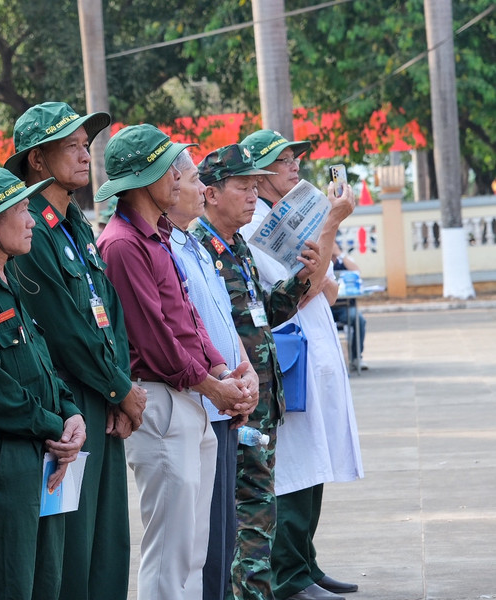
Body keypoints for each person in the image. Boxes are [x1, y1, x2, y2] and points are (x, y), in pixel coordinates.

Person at [95, 125, 258, 600]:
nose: (179, 176)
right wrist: (214, 386)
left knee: (192, 548)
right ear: (144, 180)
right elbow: (155, 339)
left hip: (189, 394)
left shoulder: (160, 236)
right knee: (169, 550)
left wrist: (222, 372)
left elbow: (189, 321)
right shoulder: (123, 243)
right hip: (162, 397)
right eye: (168, 169)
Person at [5, 101, 146, 600]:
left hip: (104, 396)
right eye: (72, 146)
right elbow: (64, 329)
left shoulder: (76, 225)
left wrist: (122, 387)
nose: (86, 155)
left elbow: (110, 309)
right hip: (69, 402)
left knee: (109, 540)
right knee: (72, 547)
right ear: (37, 160)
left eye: (86, 145)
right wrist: (119, 389)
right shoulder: (31, 230)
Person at [191, 144, 321, 600]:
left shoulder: (235, 244)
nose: (253, 195)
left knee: (260, 509)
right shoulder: (197, 250)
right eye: (243, 187)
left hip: (261, 401)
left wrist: (303, 278)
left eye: (253, 186)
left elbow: (259, 313)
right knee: (241, 512)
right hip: (233, 403)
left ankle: (257, 592)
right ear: (210, 193)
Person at [240, 129, 364, 600]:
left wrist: (325, 226)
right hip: (289, 356)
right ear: (260, 175)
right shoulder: (258, 227)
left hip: (316, 349)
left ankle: (306, 564)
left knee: (316, 461)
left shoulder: (294, 217)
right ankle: (289, 576)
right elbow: (302, 291)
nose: (294, 166)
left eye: (295, 158)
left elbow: (329, 287)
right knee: (292, 467)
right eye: (282, 160)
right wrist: (331, 220)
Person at [0, 167, 86, 600]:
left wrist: (71, 414)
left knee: (46, 576)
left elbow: (42, 362)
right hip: (5, 455)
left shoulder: (11, 278)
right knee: (10, 579)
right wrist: (54, 426)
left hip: (45, 450)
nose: (32, 220)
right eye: (21, 210)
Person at [163, 150, 260, 600]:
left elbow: (220, 320)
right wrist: (222, 384)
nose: (202, 188)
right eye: (196, 178)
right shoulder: (164, 247)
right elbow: (181, 332)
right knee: (200, 542)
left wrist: (246, 374)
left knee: (224, 534)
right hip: (200, 402)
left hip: (224, 399)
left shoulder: (194, 244)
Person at [330, 241, 367, 369]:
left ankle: (356, 357)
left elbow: (357, 272)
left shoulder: (344, 261)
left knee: (359, 319)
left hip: (344, 307)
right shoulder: (321, 262)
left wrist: (339, 254)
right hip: (327, 308)